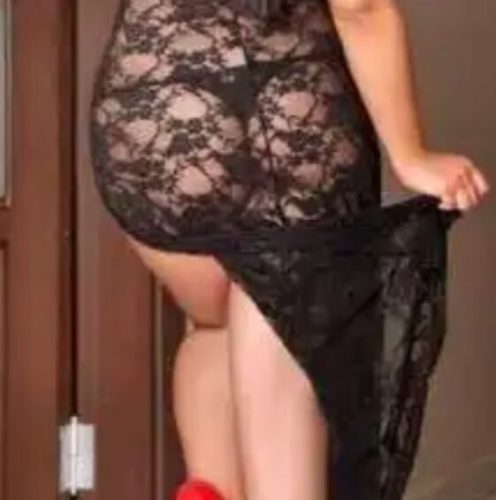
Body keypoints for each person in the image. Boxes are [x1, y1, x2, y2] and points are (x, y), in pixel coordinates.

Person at [88, 0, 490, 498]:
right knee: (279, 306)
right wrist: (410, 154)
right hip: (281, 114)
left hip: (149, 115)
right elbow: (360, 7)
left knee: (215, 322)